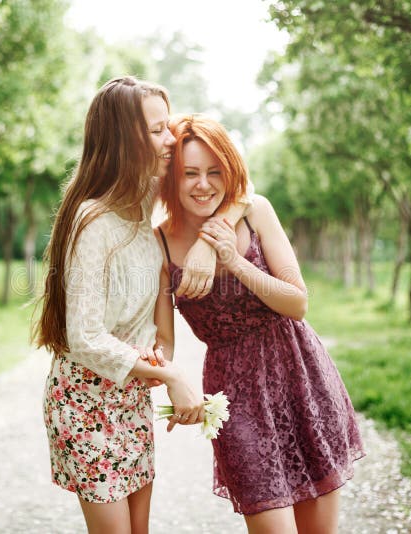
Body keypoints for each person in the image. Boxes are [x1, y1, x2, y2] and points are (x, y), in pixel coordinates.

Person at [34, 77, 248, 534]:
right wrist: (171, 375)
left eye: (167, 128)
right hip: (86, 404)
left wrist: (210, 245)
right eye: (156, 131)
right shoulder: (93, 221)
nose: (170, 139)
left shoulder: (143, 201)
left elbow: (238, 188)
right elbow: (85, 336)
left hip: (129, 398)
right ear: (124, 139)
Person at [152, 114, 365, 534]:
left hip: (299, 375)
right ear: (171, 179)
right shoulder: (159, 244)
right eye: (189, 173)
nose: (203, 184)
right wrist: (168, 378)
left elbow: (297, 303)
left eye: (215, 172)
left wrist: (230, 259)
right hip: (235, 396)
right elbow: (164, 340)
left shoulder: (255, 212)